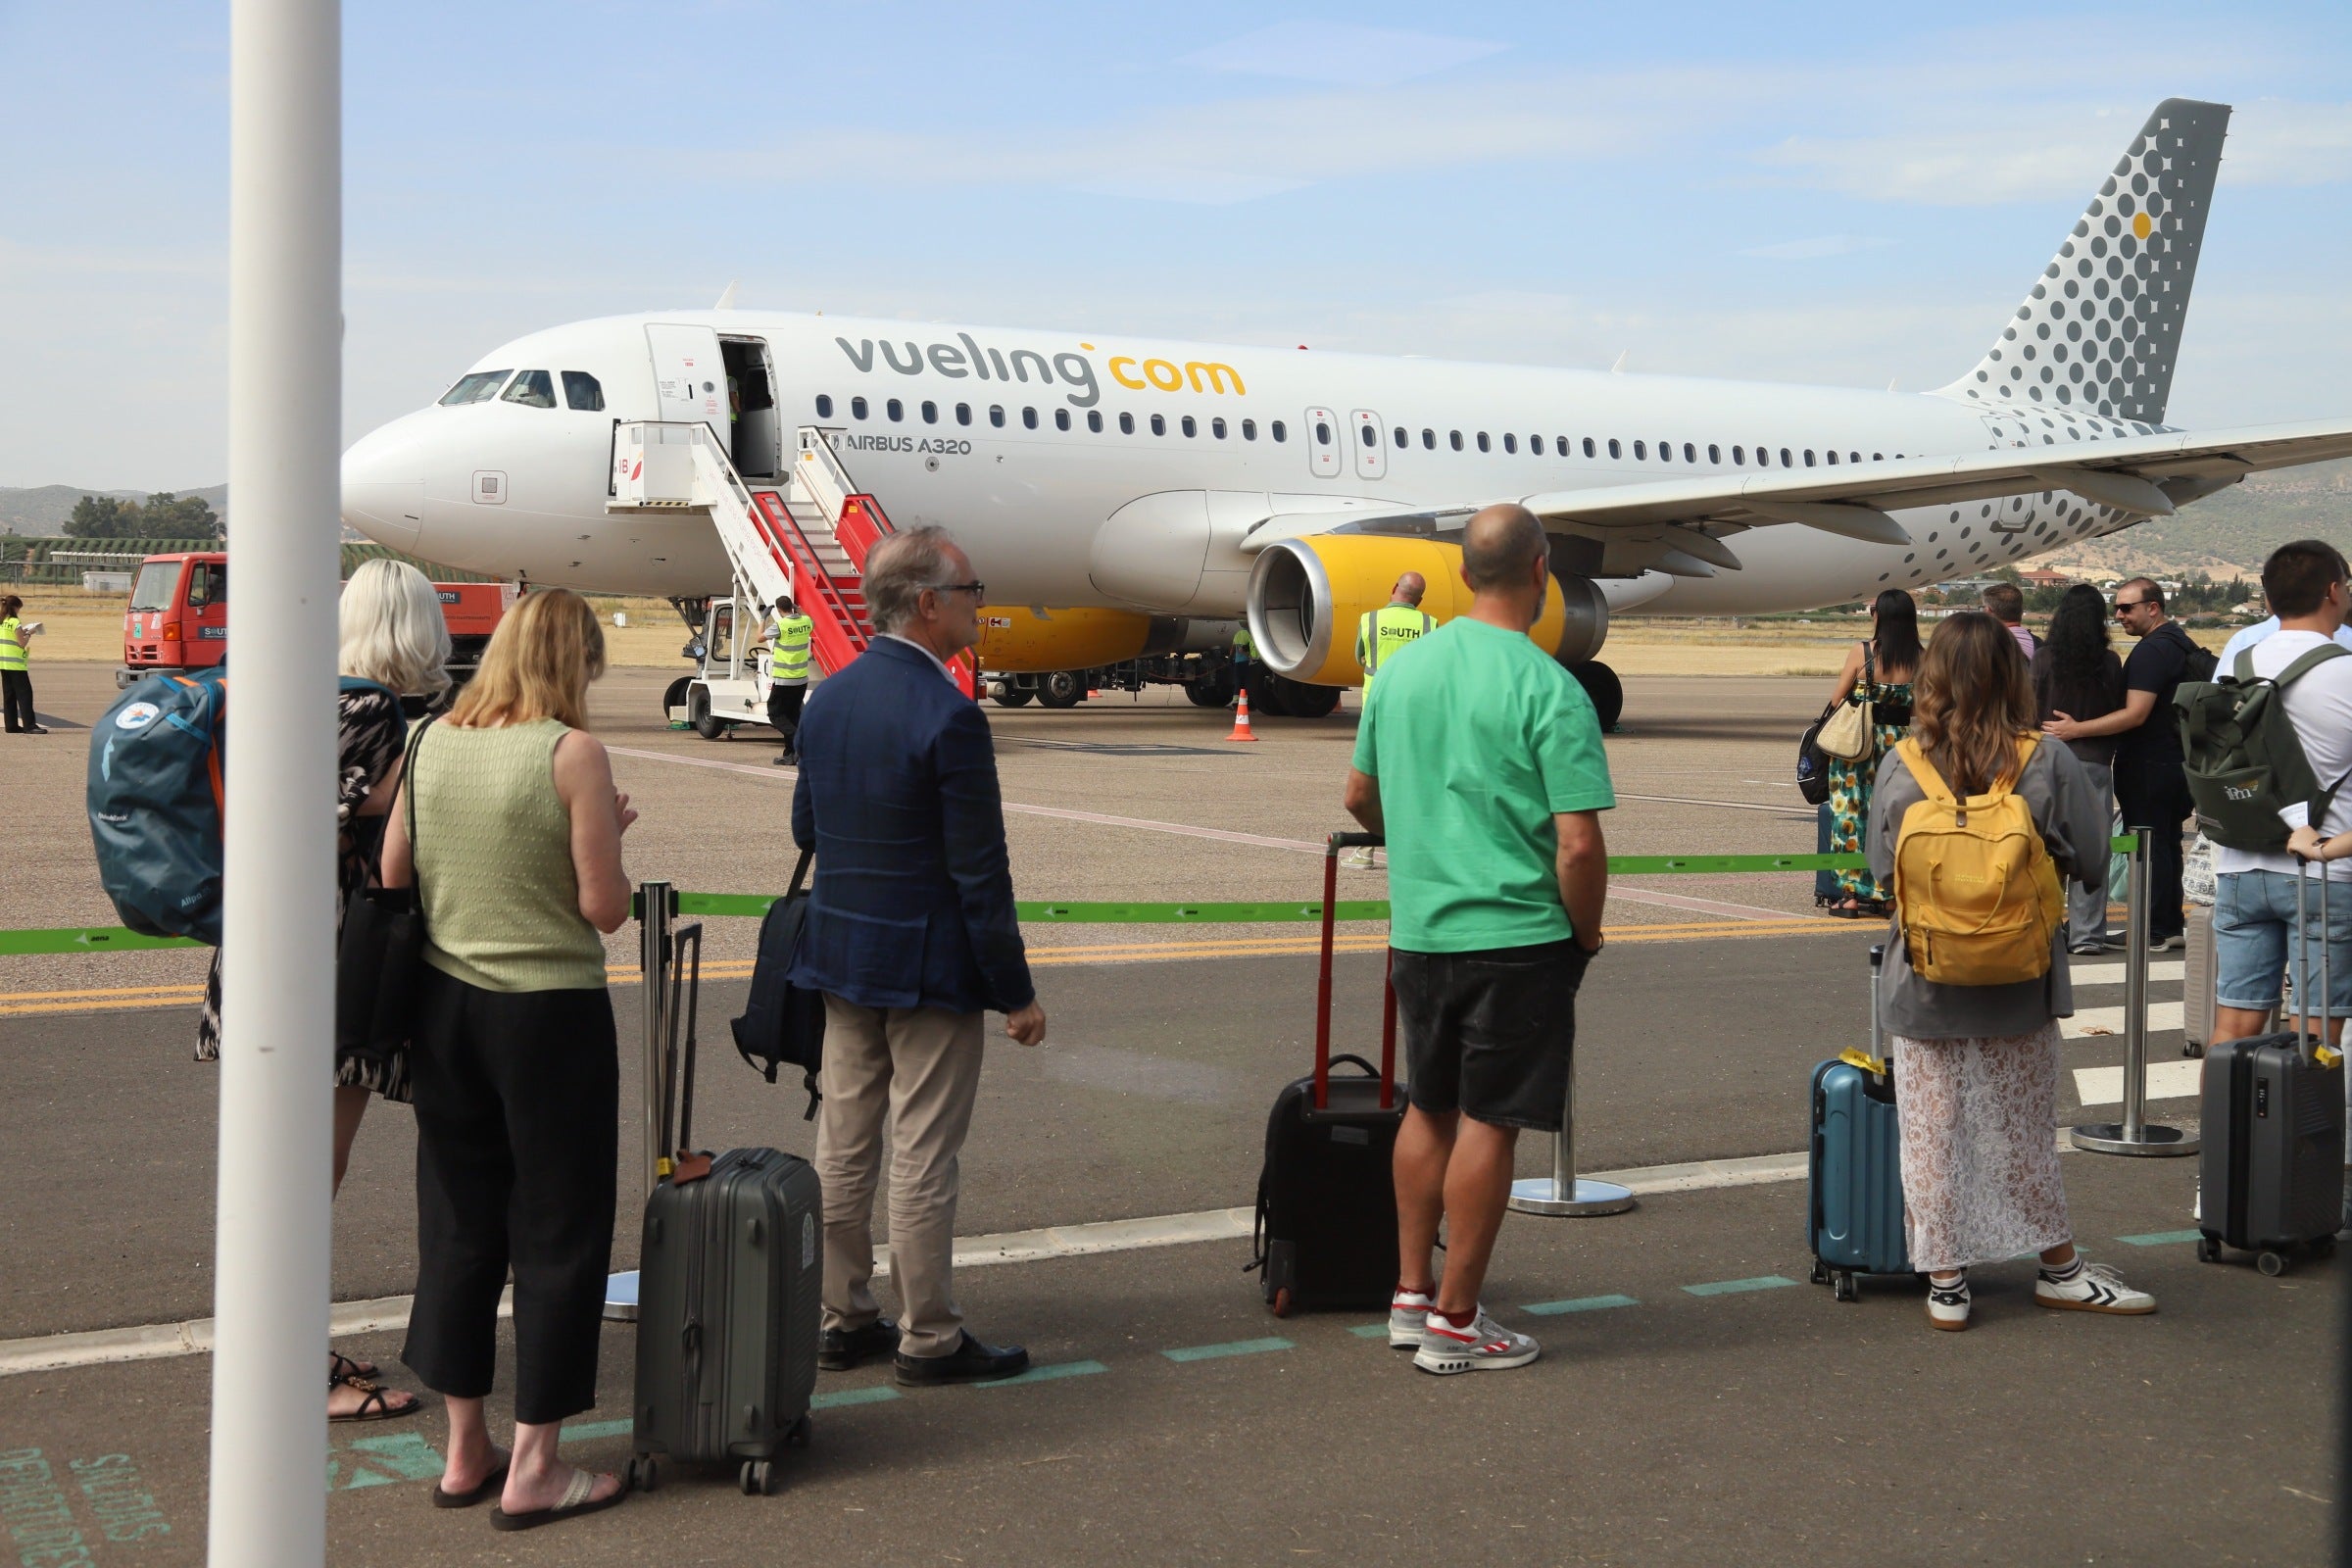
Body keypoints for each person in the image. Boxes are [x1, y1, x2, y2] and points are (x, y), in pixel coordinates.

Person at [381, 587, 636, 1529]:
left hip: (445, 1010)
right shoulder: (572, 753)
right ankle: (535, 1465)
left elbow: (394, 872)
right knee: (559, 1229)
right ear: (576, 663)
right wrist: (608, 833)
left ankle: (465, 1449)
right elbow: (603, 908)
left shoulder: (428, 741)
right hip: (549, 1015)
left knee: (458, 1223)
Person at [1342, 504, 1614, 1376]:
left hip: (1421, 932)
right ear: (1541, 571)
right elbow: (1578, 844)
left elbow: (1359, 798)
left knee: (1429, 1107)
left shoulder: (1400, 674)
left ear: (1463, 574)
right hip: (1518, 935)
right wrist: (1586, 933)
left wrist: (1420, 840)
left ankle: (1410, 1294)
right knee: (1492, 1123)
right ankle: (1457, 1321)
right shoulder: (1551, 688)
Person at [193, 559, 452, 1424]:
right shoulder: (373, 713)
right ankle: (293, 1370)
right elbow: (355, 835)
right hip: (326, 970)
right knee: (306, 1174)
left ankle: (285, 1348)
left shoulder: (293, 696)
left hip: (262, 953)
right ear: (417, 630)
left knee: (281, 1166)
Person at [788, 525, 1047, 1388]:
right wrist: (1015, 991)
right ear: (929, 603)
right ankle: (928, 1335)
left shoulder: (828, 699)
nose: (981, 603)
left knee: (843, 1142)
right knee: (924, 1151)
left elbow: (806, 828)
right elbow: (981, 873)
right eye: (971, 591)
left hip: (842, 952)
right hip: (930, 967)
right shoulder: (951, 715)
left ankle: (842, 1315)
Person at [1870, 612, 2156, 1330]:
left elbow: (1880, 870)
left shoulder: (1901, 763)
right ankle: (2058, 1269)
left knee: (1931, 1132)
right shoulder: (2047, 759)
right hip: (2020, 978)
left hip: (1924, 980)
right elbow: (2093, 862)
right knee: (2022, 1130)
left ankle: (1946, 1282)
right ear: (2014, 676)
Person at [2211, 542, 2352, 1051]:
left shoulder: (2235, 664)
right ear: (2334, 591)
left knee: (2232, 1029)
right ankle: (2303, 1111)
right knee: (2313, 1035)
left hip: (2240, 864)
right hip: (2325, 871)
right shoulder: (2346, 671)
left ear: (2269, 599)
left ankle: (2224, 1109)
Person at [2044, 578, 2203, 951]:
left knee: (2146, 846)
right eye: (2115, 608)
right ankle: (2165, 924)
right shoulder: (2179, 642)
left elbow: (2135, 714)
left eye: (2127, 608)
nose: (2119, 615)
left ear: (2153, 607)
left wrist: (2076, 729)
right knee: (2165, 842)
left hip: (2149, 766)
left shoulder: (2150, 652)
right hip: (2177, 762)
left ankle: (2153, 929)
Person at [2032, 583, 2129, 954]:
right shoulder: (2110, 662)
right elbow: (2118, 712)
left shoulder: (2043, 659)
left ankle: (2046, 927)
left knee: (2043, 850)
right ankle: (2087, 934)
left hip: (2046, 761)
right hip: (2094, 764)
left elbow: (2026, 710)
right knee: (2092, 851)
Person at [1822, 590, 1922, 916]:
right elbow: (1921, 707)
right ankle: (1889, 895)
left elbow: (1837, 699)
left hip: (1858, 742)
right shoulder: (1921, 657)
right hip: (1899, 745)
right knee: (1893, 816)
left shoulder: (1863, 652)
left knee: (1850, 813)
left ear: (1879, 616)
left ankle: (1850, 894)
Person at [763, 594, 813, 764]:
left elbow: (759, 637)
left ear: (778, 610)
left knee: (775, 714)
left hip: (784, 679)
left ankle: (800, 740)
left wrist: (763, 618)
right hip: (801, 679)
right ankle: (790, 754)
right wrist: (798, 609)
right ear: (792, 607)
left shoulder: (781, 625)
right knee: (792, 715)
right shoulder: (806, 622)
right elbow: (810, 620)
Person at [0, 595, 44, 734]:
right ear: (14, 607)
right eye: (19, 608)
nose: (19, 611)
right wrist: (29, 633)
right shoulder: (14, 622)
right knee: (25, 695)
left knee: (9, 696)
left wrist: (22, 632)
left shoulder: (2, 621)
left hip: (4, 663)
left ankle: (11, 725)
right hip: (16, 665)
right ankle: (30, 726)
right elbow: (22, 643)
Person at [1982, 581, 2036, 659]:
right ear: (2021, 611)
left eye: (1984, 608)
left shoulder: (1983, 647)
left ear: (1988, 611)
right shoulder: (2040, 645)